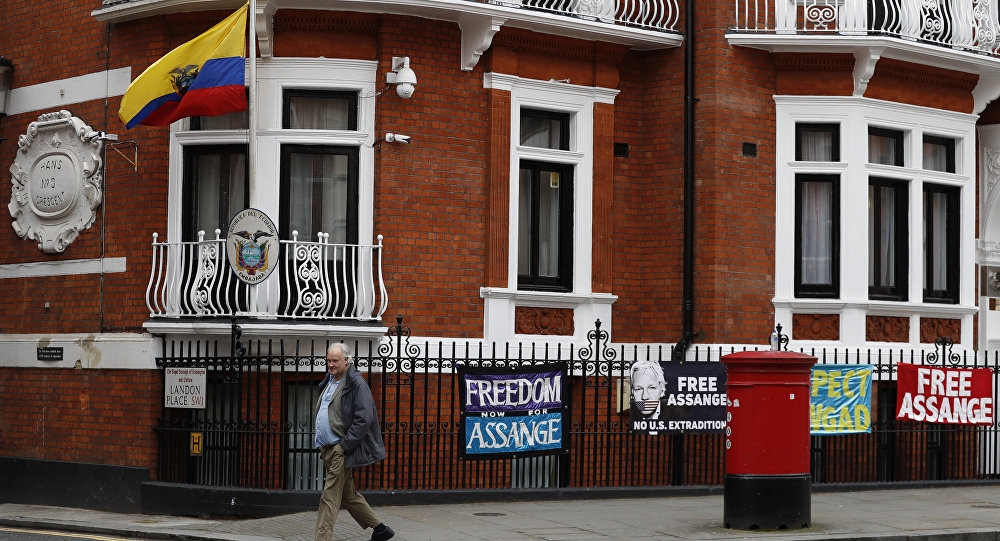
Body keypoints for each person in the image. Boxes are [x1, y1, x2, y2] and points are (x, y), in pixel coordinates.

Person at [314, 342, 394, 541]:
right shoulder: (330, 380)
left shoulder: (356, 383)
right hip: (328, 449)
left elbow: (364, 419)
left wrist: (344, 446)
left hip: (339, 449)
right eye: (329, 360)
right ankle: (381, 529)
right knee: (348, 496)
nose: (330, 364)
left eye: (335, 361)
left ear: (347, 361)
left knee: (329, 498)